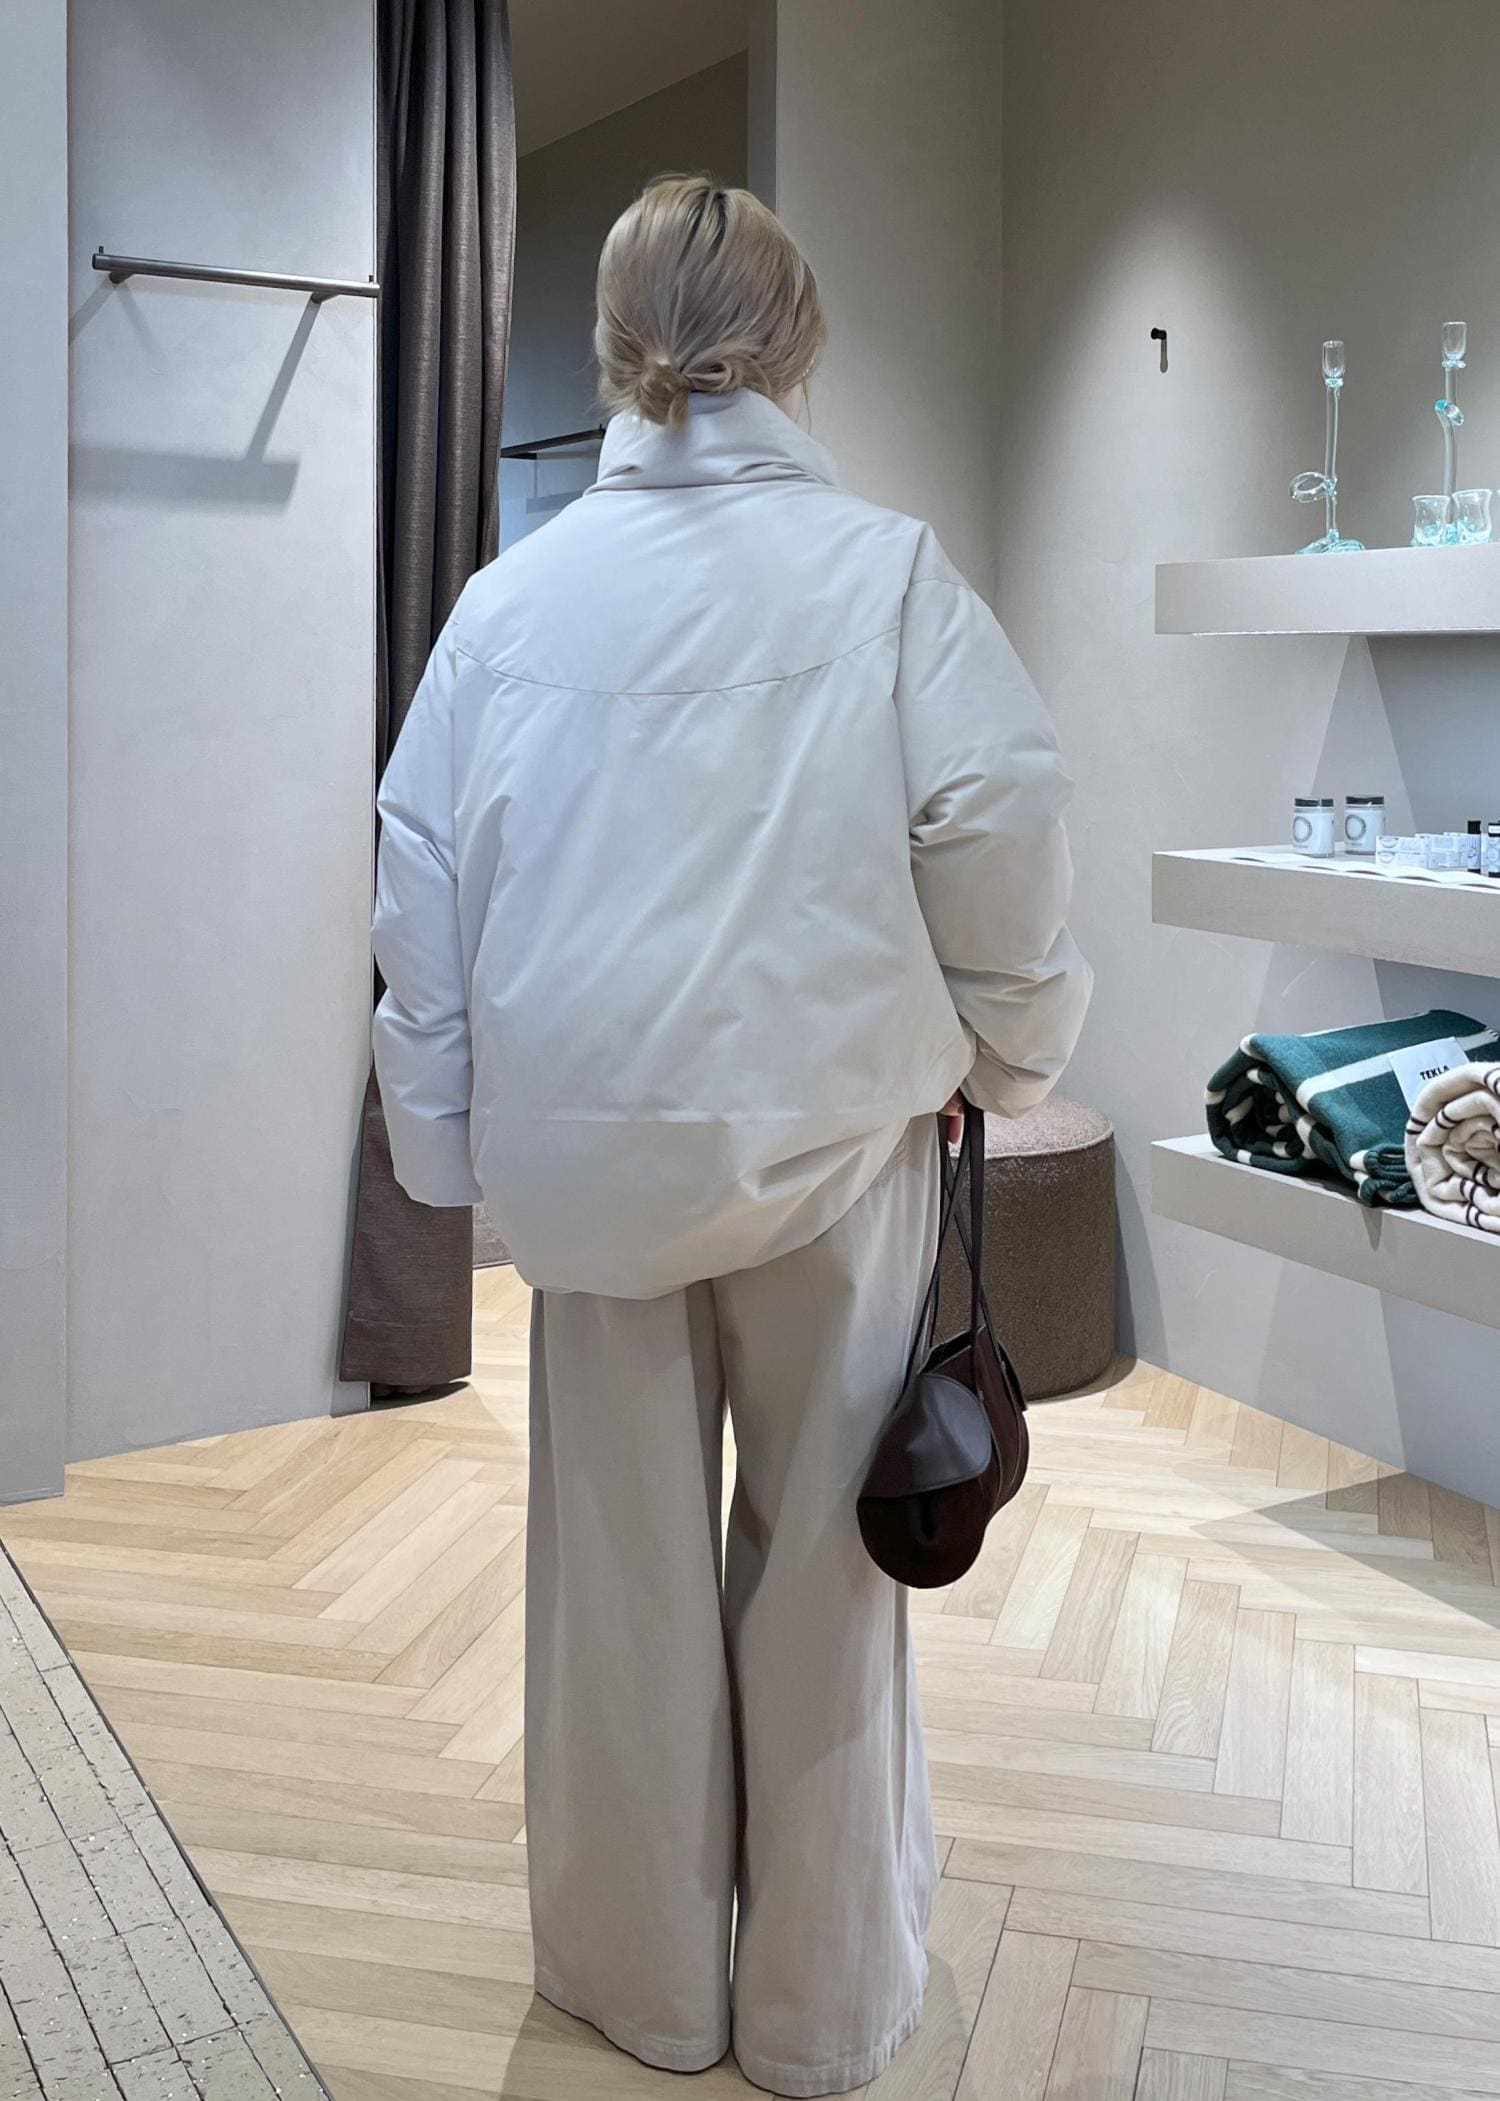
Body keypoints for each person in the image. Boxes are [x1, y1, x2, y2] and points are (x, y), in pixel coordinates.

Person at [372, 174, 1091, 2098]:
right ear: (797, 338)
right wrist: (1008, 1053)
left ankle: (645, 1988)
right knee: (828, 1578)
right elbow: (1004, 828)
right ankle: (816, 2008)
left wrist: (444, 1150)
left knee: (616, 1589)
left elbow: (421, 892)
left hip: (589, 1173)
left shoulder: (507, 607)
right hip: (834, 1150)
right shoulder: (889, 579)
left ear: (618, 342)